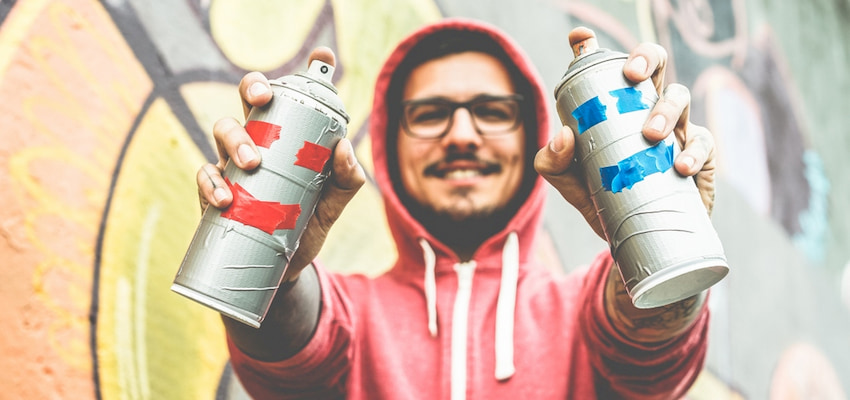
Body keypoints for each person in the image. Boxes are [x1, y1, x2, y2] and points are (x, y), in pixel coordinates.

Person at [197, 18, 717, 399]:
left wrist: (672, 224)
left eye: (492, 112)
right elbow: (286, 357)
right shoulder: (348, 319)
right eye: (430, 114)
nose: (462, 136)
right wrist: (274, 265)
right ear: (389, 146)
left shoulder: (584, 313)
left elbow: (647, 349)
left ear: (533, 134)